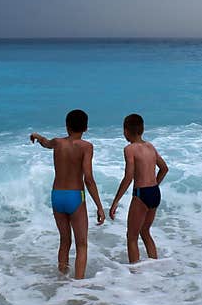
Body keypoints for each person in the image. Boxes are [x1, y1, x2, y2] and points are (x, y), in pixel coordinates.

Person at [30, 109, 105, 279]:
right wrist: (100, 206)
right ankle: (78, 287)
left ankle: (62, 280)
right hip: (75, 197)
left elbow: (45, 143)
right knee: (82, 245)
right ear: (86, 128)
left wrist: (36, 135)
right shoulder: (86, 147)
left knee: (64, 241)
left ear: (66, 126)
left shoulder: (57, 142)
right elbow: (89, 178)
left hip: (57, 196)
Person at [109, 113, 169, 264]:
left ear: (126, 131)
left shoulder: (130, 149)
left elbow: (129, 177)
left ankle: (136, 275)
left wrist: (115, 201)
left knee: (132, 237)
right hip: (155, 192)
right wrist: (154, 184)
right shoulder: (150, 146)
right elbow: (164, 168)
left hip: (141, 194)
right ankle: (155, 266)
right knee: (145, 232)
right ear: (142, 129)